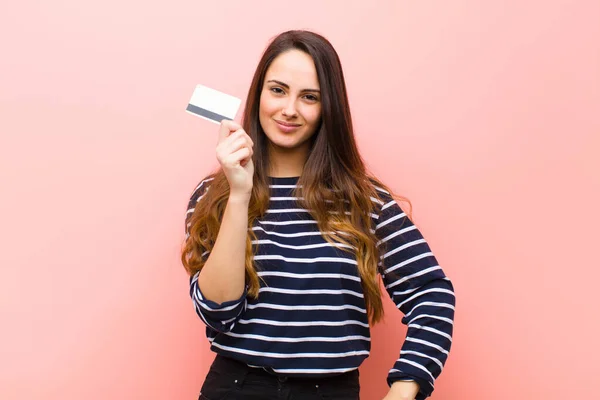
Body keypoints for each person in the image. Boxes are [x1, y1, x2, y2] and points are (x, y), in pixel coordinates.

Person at [182, 30, 455, 400]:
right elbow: (218, 313)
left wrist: (405, 389)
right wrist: (240, 195)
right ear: (258, 94)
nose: (290, 109)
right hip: (235, 388)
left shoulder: (363, 201)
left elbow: (431, 292)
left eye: (309, 97)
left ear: (329, 107)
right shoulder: (214, 197)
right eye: (277, 90)